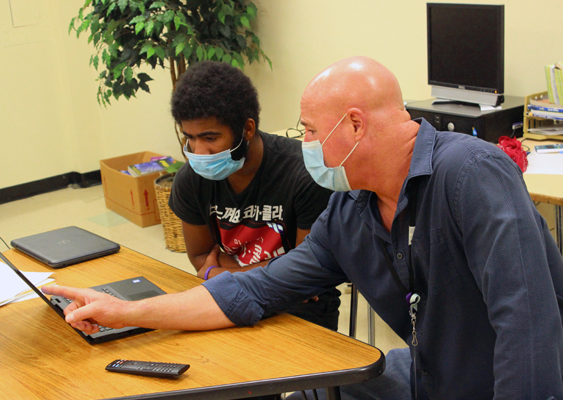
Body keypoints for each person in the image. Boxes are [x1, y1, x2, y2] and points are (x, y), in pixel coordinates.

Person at [43, 56, 563, 399]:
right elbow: (253, 289)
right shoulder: (350, 212)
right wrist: (126, 311)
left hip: (512, 382)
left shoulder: (470, 173)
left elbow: (528, 325)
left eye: (311, 131)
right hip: (433, 376)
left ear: (356, 126)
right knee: (323, 385)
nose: (306, 143)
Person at [167, 60, 339, 332]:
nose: (199, 151)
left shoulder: (306, 175)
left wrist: (220, 273)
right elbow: (200, 256)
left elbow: (306, 275)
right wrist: (240, 276)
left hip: (300, 309)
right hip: (230, 297)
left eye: (211, 138)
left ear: (247, 129)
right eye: (191, 137)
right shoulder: (191, 180)